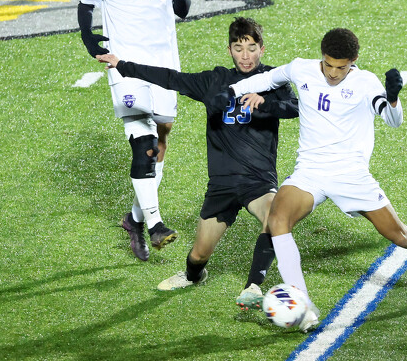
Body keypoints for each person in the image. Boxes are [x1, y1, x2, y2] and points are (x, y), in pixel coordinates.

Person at [229, 28, 407, 332]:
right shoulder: (301, 69)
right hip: (310, 171)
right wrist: (232, 91)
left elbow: (393, 120)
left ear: (353, 61)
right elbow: (267, 79)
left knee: (400, 235)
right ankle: (304, 306)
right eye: (328, 64)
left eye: (341, 67)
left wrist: (393, 99)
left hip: (351, 175)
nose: (333, 73)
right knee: (277, 220)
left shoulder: (366, 83)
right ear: (321, 57)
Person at [96, 17, 299, 309]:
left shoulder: (273, 80)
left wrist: (266, 103)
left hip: (258, 182)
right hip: (221, 186)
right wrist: (123, 65)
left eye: (252, 48)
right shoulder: (214, 81)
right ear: (229, 50)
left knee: (275, 216)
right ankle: (193, 276)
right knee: (199, 255)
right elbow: (170, 78)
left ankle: (253, 285)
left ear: (262, 49)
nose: (245, 56)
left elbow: (295, 107)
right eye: (239, 48)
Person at [78, 0, 191, 261]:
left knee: (161, 138)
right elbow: (86, 4)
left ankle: (134, 219)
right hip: (124, 64)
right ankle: (155, 224)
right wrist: (88, 37)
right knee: (145, 144)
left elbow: (182, 10)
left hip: (164, 63)